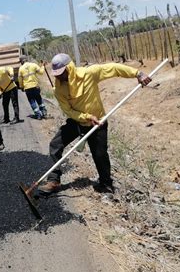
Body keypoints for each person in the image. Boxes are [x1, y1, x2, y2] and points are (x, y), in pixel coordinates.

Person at [38, 53, 151, 195]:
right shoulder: (59, 88)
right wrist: (85, 117)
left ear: (70, 68)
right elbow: (68, 110)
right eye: (57, 75)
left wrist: (137, 73)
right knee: (55, 145)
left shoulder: (89, 73)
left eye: (62, 73)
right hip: (77, 121)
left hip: (98, 122)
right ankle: (53, 180)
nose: (59, 77)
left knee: (100, 154)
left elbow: (114, 68)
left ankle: (106, 184)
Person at [18, 55, 48, 119]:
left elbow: (20, 80)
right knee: (39, 99)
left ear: (21, 61)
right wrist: (43, 66)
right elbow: (41, 72)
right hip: (35, 86)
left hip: (27, 88)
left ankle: (38, 115)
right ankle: (43, 112)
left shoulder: (21, 69)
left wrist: (21, 87)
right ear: (26, 59)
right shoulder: (33, 65)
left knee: (32, 101)